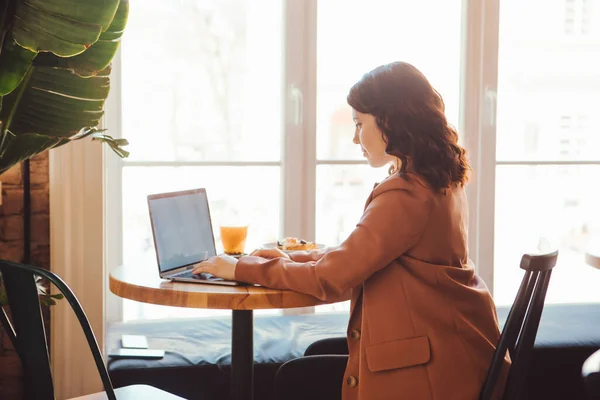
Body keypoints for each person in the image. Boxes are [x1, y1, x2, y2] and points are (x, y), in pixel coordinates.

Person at [192, 61, 510, 400]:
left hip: (433, 370)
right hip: (454, 347)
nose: (355, 136)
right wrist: (297, 257)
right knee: (309, 363)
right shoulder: (436, 178)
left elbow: (333, 278)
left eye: (360, 123)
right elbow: (364, 258)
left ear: (392, 121)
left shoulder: (407, 194)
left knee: (296, 379)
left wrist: (241, 268)